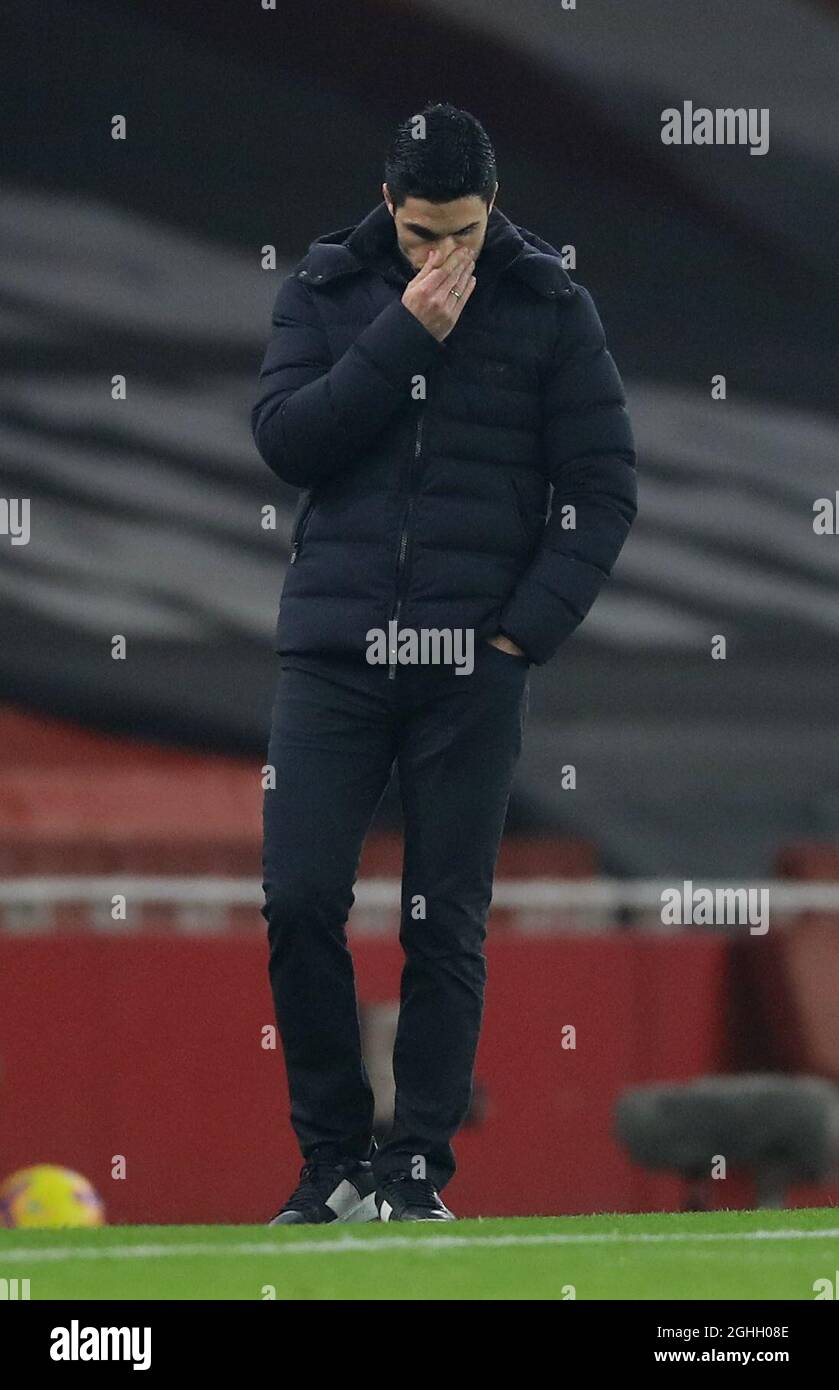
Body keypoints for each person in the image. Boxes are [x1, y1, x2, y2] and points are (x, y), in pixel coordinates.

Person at [251, 102, 637, 1223]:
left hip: (471, 659)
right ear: (387, 210)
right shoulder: (324, 291)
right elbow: (288, 441)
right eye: (423, 234)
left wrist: (519, 633)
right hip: (333, 651)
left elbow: (601, 489)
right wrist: (402, 335)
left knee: (443, 917)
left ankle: (414, 1166)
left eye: (463, 232)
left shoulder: (551, 305)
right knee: (298, 896)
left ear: (493, 208)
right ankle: (327, 1165)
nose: (444, 257)